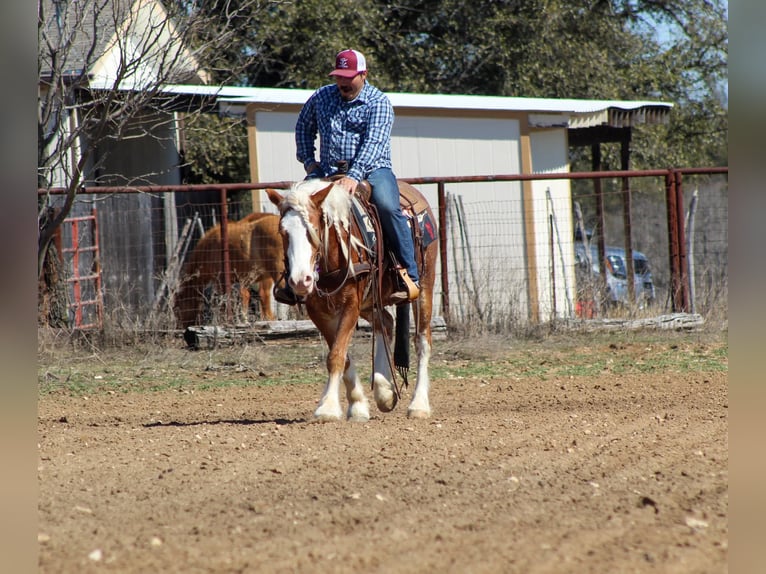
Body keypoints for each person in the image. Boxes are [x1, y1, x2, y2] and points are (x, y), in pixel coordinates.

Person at [276, 48, 420, 305]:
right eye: (339, 76)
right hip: (327, 172)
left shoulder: (378, 102)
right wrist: (310, 163)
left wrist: (353, 175)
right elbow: (303, 127)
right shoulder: (322, 96)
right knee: (297, 212)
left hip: (373, 170)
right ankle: (292, 277)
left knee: (387, 206)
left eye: (349, 76)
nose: (343, 82)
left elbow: (374, 143)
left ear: (363, 74)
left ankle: (407, 274)